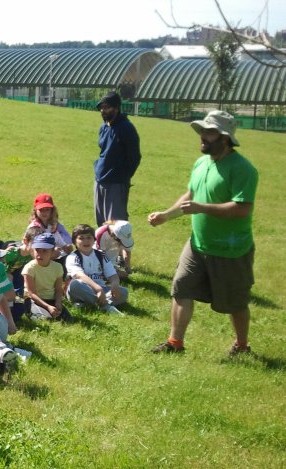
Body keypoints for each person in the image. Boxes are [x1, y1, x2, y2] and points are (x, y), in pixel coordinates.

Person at [148, 110, 258, 356]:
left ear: (224, 138)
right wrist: (166, 215)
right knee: (181, 287)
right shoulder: (201, 163)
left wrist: (202, 208)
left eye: (210, 132)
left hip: (230, 250)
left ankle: (241, 346)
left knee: (235, 303)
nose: (203, 136)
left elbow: (242, 208)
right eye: (203, 131)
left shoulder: (242, 169)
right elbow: (190, 196)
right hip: (198, 243)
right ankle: (175, 343)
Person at [94, 91, 141, 226]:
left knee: (116, 226)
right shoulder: (104, 127)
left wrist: (122, 176)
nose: (103, 111)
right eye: (101, 108)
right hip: (100, 180)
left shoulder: (126, 128)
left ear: (116, 108)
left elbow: (135, 157)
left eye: (106, 107)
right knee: (101, 226)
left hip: (116, 183)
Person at [66, 224, 127, 314]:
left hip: (101, 288)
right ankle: (106, 306)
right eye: (81, 238)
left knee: (124, 291)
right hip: (82, 288)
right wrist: (98, 289)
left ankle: (87, 304)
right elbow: (79, 275)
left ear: (94, 240)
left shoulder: (101, 255)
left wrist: (115, 284)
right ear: (74, 241)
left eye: (89, 237)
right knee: (75, 284)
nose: (86, 241)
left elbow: (112, 274)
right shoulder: (73, 257)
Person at [23, 233, 71, 321]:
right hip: (33, 300)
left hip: (51, 299)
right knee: (45, 319)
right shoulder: (29, 268)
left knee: (67, 319)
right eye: (37, 250)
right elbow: (31, 293)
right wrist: (48, 306)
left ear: (52, 252)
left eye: (45, 251)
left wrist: (58, 302)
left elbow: (58, 289)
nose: (39, 254)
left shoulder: (57, 267)